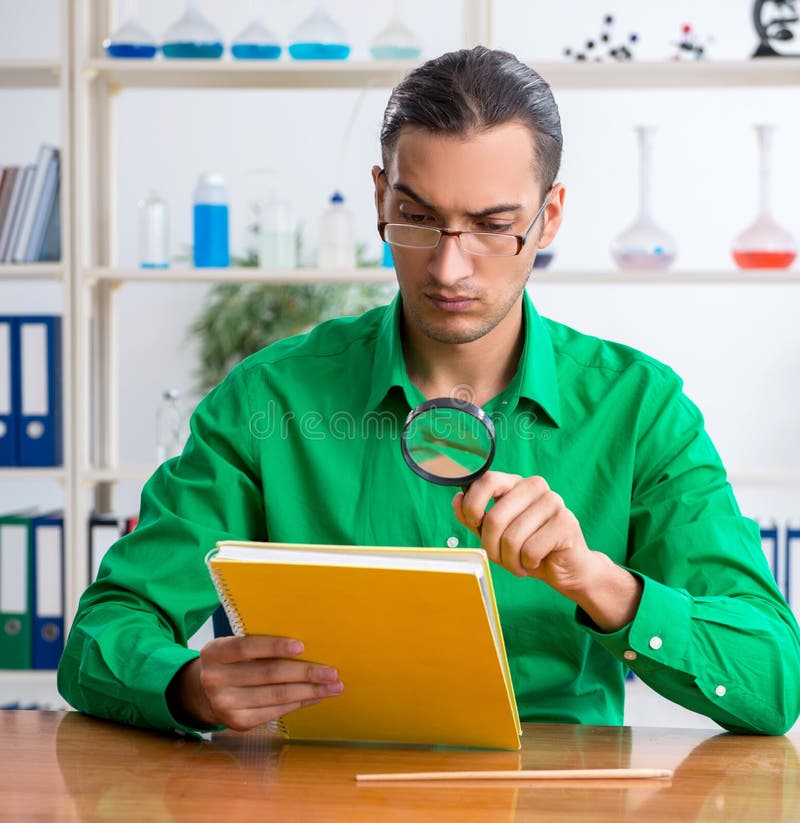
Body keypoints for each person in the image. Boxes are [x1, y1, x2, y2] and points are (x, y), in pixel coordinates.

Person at [58, 46, 800, 737]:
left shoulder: (640, 410)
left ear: (551, 216)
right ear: (381, 197)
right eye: (416, 219)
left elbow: (772, 678)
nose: (449, 269)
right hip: (319, 803)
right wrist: (184, 683)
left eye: (492, 225)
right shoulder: (270, 401)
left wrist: (599, 580)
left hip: (557, 803)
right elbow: (103, 630)